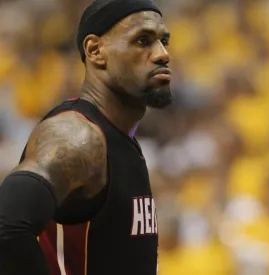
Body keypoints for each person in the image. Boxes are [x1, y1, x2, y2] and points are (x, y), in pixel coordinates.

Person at [0, 0, 172, 274]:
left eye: (164, 41)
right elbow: (7, 223)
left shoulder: (119, 138)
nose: (162, 54)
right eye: (143, 41)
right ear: (95, 51)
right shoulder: (77, 136)